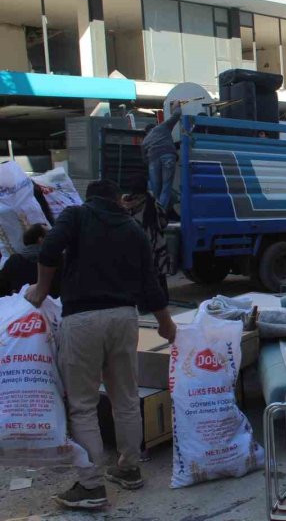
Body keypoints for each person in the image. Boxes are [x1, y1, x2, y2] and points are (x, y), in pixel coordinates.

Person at [25, 179, 177, 510]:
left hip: (82, 320)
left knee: (82, 404)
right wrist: (166, 323)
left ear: (90, 198)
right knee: (125, 396)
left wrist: (39, 290)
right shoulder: (133, 230)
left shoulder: (76, 216)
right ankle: (129, 468)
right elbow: (150, 284)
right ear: (118, 201)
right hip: (124, 318)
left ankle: (91, 486)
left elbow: (49, 249)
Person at [121, 175, 172, 306]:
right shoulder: (153, 203)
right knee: (159, 278)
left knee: (139, 277)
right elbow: (164, 222)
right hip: (156, 246)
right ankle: (161, 304)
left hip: (135, 246)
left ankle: (142, 305)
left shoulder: (126, 205)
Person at [141, 102, 182, 211]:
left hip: (153, 160)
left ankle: (157, 211)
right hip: (167, 156)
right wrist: (176, 106)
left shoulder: (145, 140)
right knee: (166, 186)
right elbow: (177, 115)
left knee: (156, 189)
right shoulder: (162, 126)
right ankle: (162, 211)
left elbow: (144, 159)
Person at [0, 224, 59, 296]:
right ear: (41, 240)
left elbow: (3, 288)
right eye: (49, 233)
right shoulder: (54, 257)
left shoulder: (14, 260)